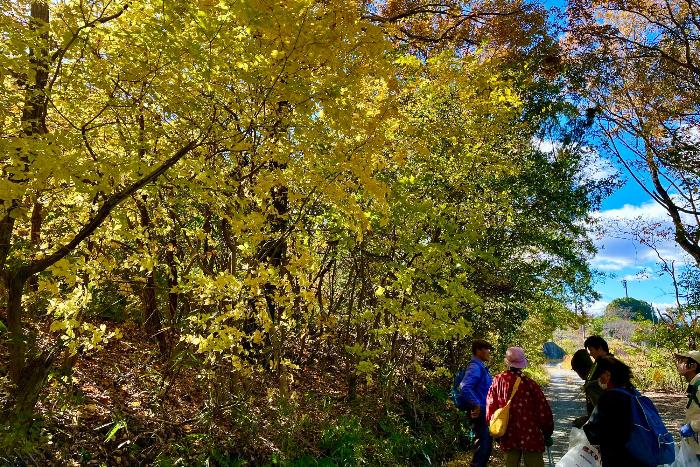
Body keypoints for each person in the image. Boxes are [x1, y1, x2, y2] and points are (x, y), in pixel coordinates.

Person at [486, 347, 554, 467]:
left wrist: (494, 430)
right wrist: (547, 432)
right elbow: (543, 410)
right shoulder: (529, 383)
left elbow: (491, 406)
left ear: (507, 362)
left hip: (508, 434)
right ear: (522, 364)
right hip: (531, 435)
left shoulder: (498, 381)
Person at [582, 355, 647, 466]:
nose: (599, 379)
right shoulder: (634, 394)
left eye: (600, 375)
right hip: (639, 454)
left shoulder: (609, 397)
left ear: (608, 375)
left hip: (616, 457)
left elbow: (593, 429)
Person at [458, 339, 494, 467]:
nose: (489, 352)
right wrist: (477, 404)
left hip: (483, 411)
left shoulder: (479, 366)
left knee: (485, 446)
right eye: (486, 349)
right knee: (483, 448)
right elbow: (465, 387)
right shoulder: (475, 367)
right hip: (480, 412)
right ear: (478, 350)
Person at [675, 350, 700, 462]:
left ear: (693, 366)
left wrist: (692, 427)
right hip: (695, 445)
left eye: (682, 361)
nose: (678, 363)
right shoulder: (694, 384)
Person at [583, 335, 610, 410]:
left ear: (600, 348)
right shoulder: (599, 362)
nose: (590, 354)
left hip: (604, 410)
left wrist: (590, 385)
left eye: (591, 350)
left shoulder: (609, 363)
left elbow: (607, 384)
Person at [570, 348, 594, 428]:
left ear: (581, 368)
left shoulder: (593, 384)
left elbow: (601, 411)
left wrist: (587, 420)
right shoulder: (594, 376)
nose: (578, 374)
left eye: (576, 370)